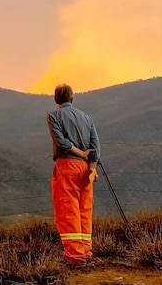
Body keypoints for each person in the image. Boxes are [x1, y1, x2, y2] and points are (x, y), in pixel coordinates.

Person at [47, 83, 100, 266]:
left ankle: (75, 256)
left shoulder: (53, 116)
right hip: (86, 169)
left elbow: (60, 141)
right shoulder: (86, 117)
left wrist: (79, 153)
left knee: (68, 209)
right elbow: (95, 146)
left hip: (67, 165)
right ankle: (86, 252)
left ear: (56, 99)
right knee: (85, 209)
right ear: (72, 98)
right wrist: (92, 166)